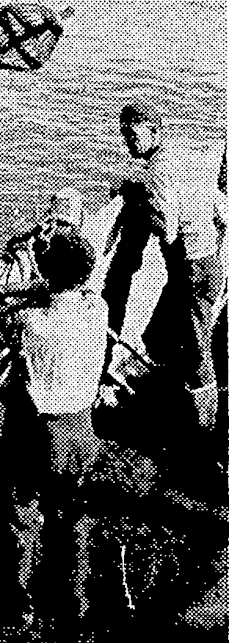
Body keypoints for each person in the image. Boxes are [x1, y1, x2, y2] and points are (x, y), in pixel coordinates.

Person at [103, 100, 227, 430]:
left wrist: (139, 199)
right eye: (123, 133)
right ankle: (165, 391)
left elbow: (168, 229)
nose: (126, 140)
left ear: (154, 131)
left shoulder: (156, 173)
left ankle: (206, 423)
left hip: (190, 270)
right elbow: (220, 207)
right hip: (209, 260)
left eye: (131, 134)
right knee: (157, 335)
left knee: (199, 352)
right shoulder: (186, 155)